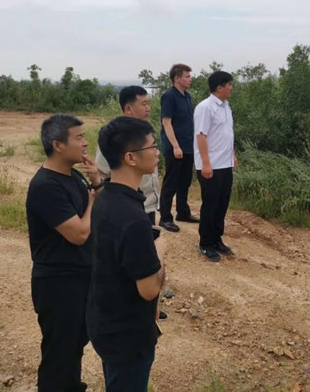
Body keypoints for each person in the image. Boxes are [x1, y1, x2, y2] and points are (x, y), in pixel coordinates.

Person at [87, 116, 166, 392]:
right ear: (131, 158)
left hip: (106, 322)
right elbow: (148, 289)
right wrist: (160, 252)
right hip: (128, 337)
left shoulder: (105, 197)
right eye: (152, 146)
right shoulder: (133, 219)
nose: (157, 152)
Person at [26, 114, 102, 392]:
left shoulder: (74, 176)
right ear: (58, 145)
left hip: (80, 275)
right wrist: (92, 200)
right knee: (59, 352)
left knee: (75, 344)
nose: (85, 143)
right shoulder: (46, 186)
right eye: (78, 137)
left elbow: (94, 220)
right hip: (58, 283)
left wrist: (96, 182)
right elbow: (79, 233)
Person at [95, 86, 160, 225]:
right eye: (144, 104)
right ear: (128, 108)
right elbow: (102, 173)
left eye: (149, 103)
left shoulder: (144, 132)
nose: (148, 108)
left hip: (147, 203)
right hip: (126, 205)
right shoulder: (115, 136)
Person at [194, 71, 238, 262]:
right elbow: (201, 136)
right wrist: (205, 163)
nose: (231, 88)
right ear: (220, 87)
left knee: (222, 204)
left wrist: (232, 155)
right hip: (210, 165)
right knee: (210, 204)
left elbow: (227, 133)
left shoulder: (226, 106)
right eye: (229, 84)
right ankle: (205, 243)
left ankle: (216, 239)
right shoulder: (205, 107)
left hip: (225, 163)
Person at [159, 63, 198, 232]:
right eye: (187, 76)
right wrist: (175, 146)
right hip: (175, 147)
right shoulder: (169, 96)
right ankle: (165, 218)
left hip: (188, 146)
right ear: (177, 78)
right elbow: (166, 122)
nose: (190, 79)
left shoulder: (187, 96)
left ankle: (183, 212)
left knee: (185, 181)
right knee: (171, 182)